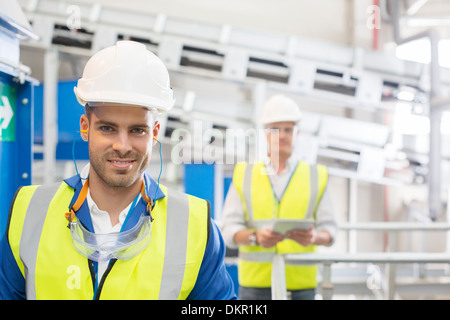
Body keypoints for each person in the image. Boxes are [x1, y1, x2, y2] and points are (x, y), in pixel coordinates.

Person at [0, 40, 236, 300]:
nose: (122, 146)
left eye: (137, 130)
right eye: (107, 128)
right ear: (85, 127)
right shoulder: (29, 210)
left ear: (155, 133)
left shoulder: (195, 225)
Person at [221, 94, 337, 300]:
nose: (282, 136)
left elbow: (330, 230)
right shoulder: (244, 173)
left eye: (288, 129)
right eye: (276, 129)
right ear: (265, 133)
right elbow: (228, 229)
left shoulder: (316, 175)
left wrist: (314, 237)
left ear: (296, 133)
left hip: (301, 285)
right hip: (255, 286)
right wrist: (256, 237)